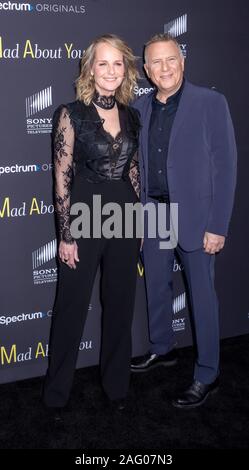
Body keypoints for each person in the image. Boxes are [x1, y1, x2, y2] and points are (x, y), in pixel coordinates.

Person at [131, 33, 237, 408]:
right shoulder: (139, 109)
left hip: (196, 218)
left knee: (202, 298)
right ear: (146, 70)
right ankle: (163, 347)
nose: (164, 68)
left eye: (170, 59)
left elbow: (225, 168)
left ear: (182, 61)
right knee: (156, 285)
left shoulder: (210, 102)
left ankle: (208, 373)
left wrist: (218, 225)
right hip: (154, 213)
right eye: (155, 62)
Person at [43, 34, 141, 412]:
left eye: (118, 63)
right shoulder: (71, 113)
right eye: (103, 63)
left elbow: (133, 169)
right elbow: (61, 176)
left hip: (126, 215)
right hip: (84, 211)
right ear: (90, 68)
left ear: (126, 69)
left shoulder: (131, 114)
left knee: (120, 304)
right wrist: (65, 234)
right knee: (71, 306)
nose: (111, 70)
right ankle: (56, 393)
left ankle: (117, 387)